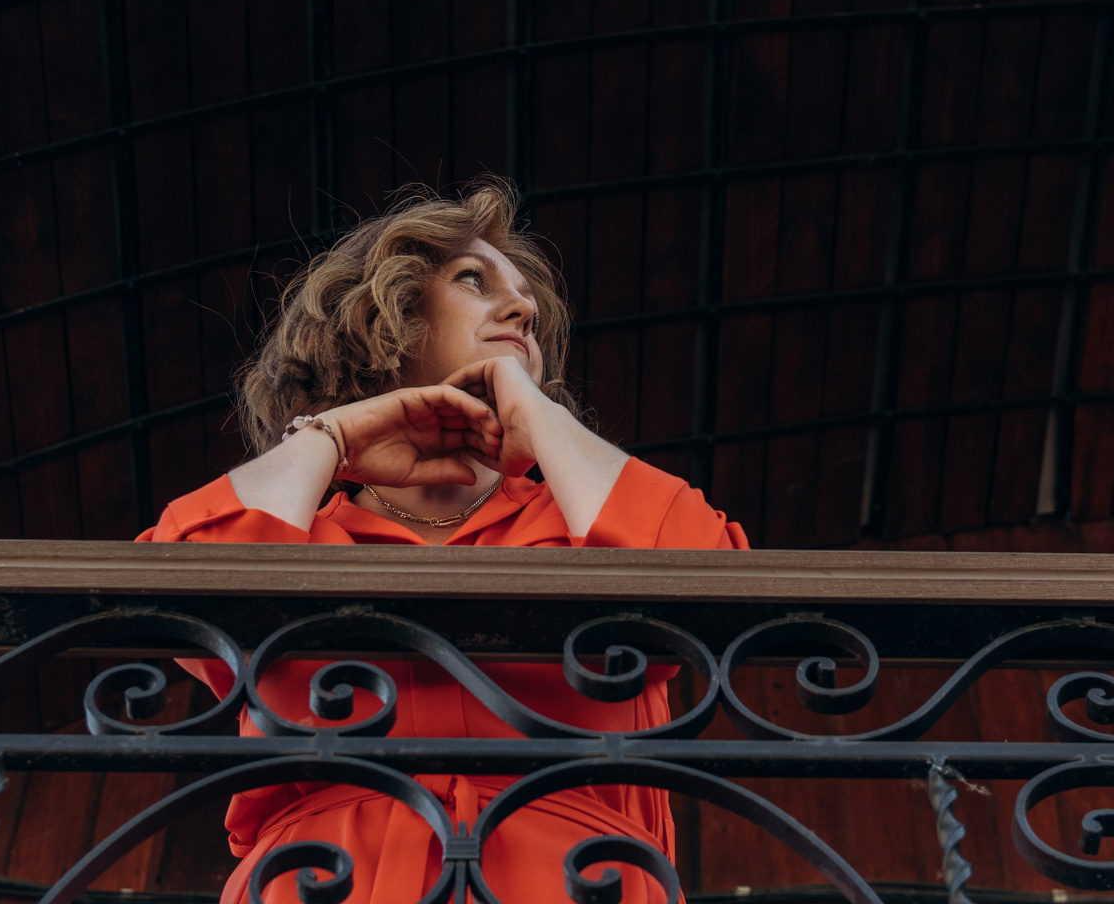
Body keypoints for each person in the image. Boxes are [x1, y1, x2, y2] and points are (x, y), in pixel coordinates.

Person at [138, 180, 747, 904]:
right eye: (474, 280)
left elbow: (706, 586)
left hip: (579, 881)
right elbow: (185, 590)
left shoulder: (582, 523)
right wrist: (333, 434)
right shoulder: (302, 532)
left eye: (528, 304)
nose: (522, 311)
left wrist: (539, 416)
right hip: (327, 882)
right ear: (385, 317)